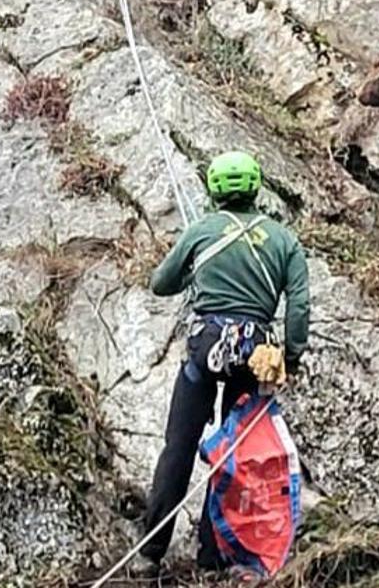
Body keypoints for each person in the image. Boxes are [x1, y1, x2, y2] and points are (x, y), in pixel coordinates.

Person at [133, 150, 310, 576]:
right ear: (257, 188)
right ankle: (213, 558)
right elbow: (299, 304)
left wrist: (197, 271)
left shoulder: (203, 230)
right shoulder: (283, 239)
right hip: (255, 356)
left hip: (204, 350)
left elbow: (161, 284)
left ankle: (149, 553)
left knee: (178, 447)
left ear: (214, 189)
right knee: (233, 452)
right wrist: (291, 354)